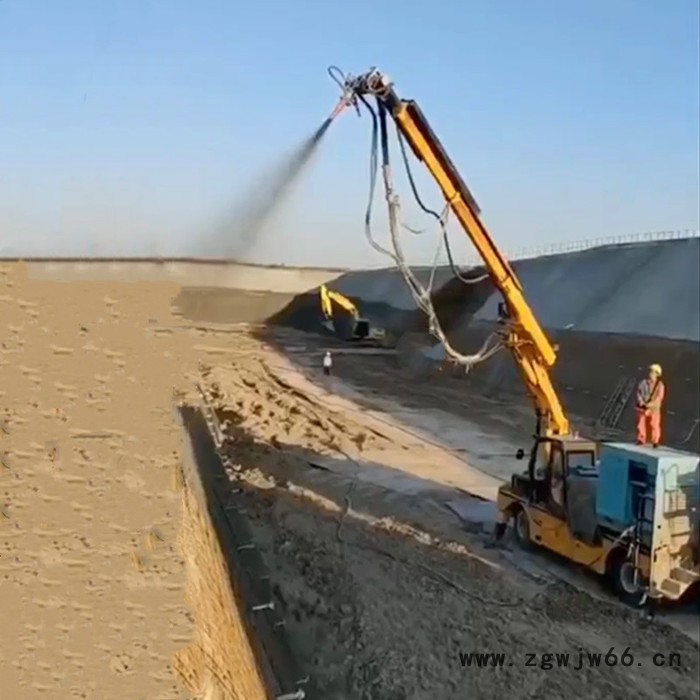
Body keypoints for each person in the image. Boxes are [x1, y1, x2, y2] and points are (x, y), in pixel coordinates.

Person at [635, 363, 665, 447]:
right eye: (650, 371)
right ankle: (641, 439)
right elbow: (638, 393)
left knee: (654, 424)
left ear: (657, 374)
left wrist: (649, 405)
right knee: (640, 423)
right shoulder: (643, 383)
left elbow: (659, 398)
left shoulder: (660, 385)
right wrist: (642, 403)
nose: (650, 373)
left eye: (653, 372)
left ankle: (655, 441)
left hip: (654, 408)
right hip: (643, 407)